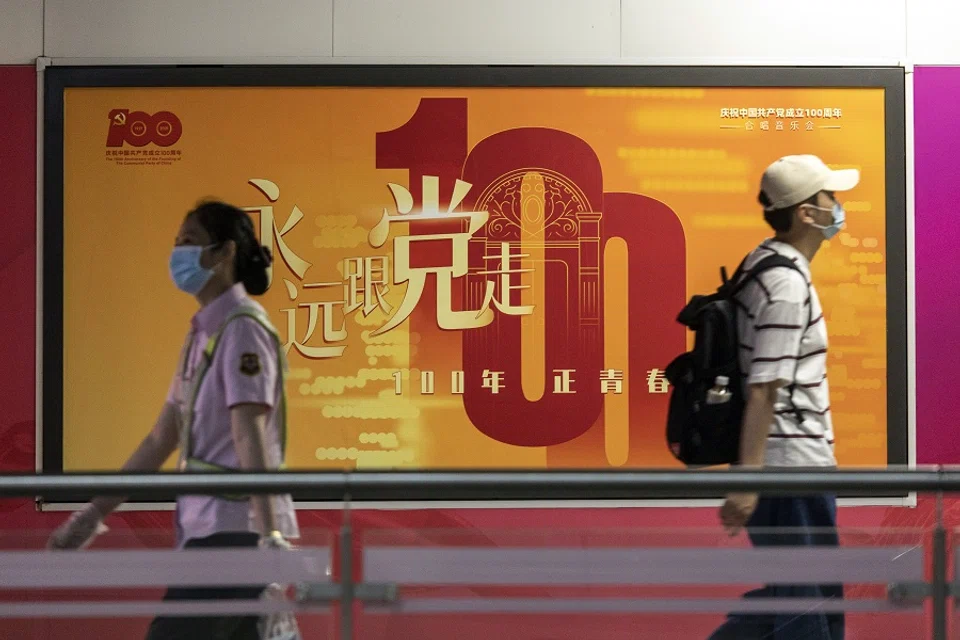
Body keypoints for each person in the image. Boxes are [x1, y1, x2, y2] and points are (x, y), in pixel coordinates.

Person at [48, 200, 299, 640]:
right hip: (208, 531)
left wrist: (270, 537)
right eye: (177, 241)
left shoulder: (243, 329)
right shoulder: (202, 334)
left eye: (190, 241)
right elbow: (161, 438)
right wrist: (91, 515)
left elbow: (249, 433)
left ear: (224, 253)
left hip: (235, 532)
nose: (178, 252)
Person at [709, 155, 858, 640]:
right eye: (830, 197)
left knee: (794, 603)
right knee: (807, 611)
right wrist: (748, 483)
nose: (838, 206)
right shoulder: (786, 284)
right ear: (806, 213)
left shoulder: (765, 262)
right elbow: (765, 387)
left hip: (784, 466)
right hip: (791, 467)